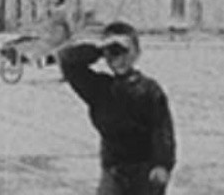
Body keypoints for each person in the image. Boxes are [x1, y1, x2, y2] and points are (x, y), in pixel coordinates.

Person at [59, 21, 175, 194]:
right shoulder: (100, 89)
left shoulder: (150, 90)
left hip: (145, 171)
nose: (120, 59)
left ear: (137, 53)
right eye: (113, 54)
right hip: (113, 171)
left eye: (126, 52)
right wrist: (99, 49)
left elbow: (162, 129)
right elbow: (67, 61)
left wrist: (162, 164)